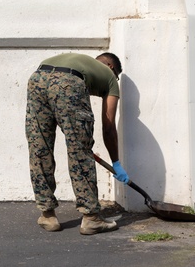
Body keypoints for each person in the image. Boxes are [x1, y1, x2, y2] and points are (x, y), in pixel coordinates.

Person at [25, 52, 128, 235]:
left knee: (39, 148)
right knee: (79, 151)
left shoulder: (83, 63)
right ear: (111, 68)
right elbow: (109, 126)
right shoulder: (110, 78)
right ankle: (91, 219)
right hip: (68, 83)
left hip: (37, 78)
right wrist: (116, 162)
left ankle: (47, 215)